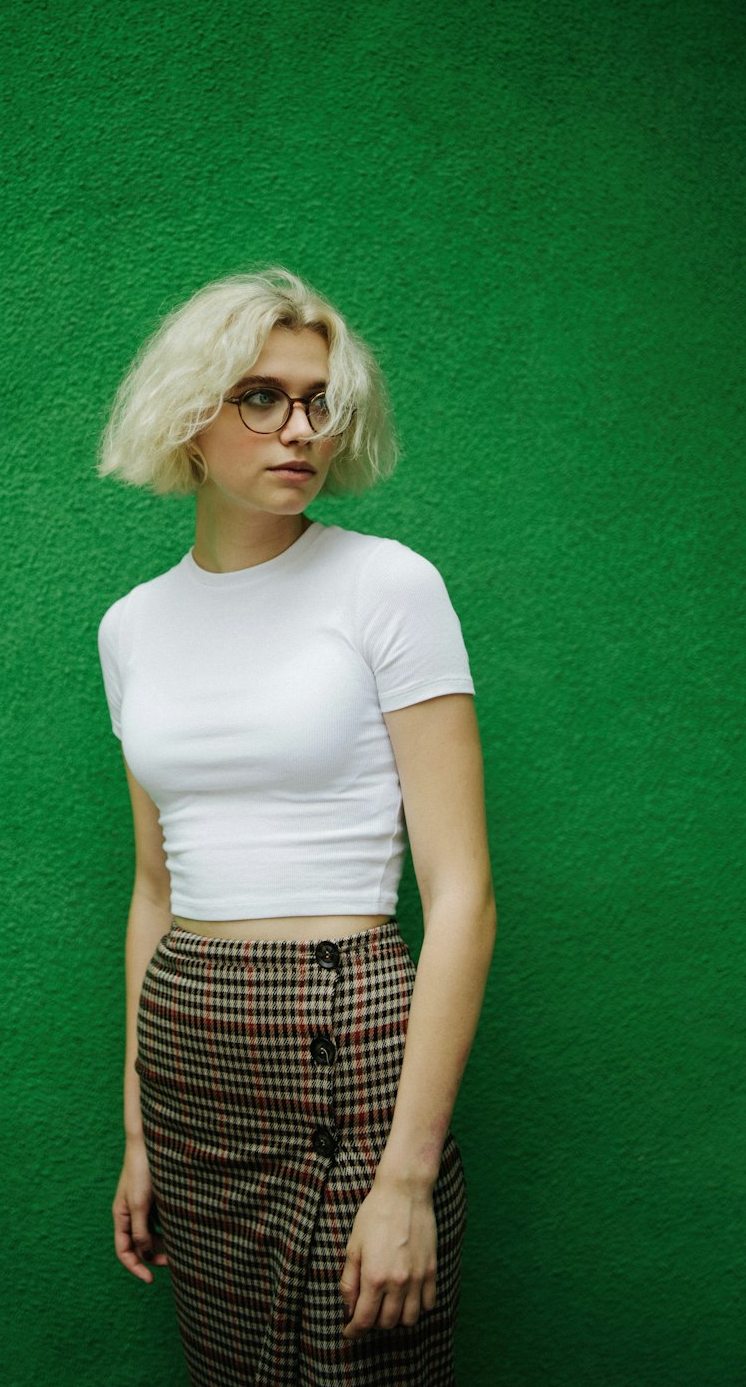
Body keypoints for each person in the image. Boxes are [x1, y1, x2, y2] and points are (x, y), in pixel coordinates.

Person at [95, 268, 496, 1386]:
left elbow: (460, 891)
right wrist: (137, 1130)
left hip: (348, 1039)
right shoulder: (130, 627)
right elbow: (154, 891)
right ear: (189, 413)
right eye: (261, 396)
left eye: (319, 400)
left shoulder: (388, 585)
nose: (301, 427)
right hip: (188, 1058)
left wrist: (406, 1174)